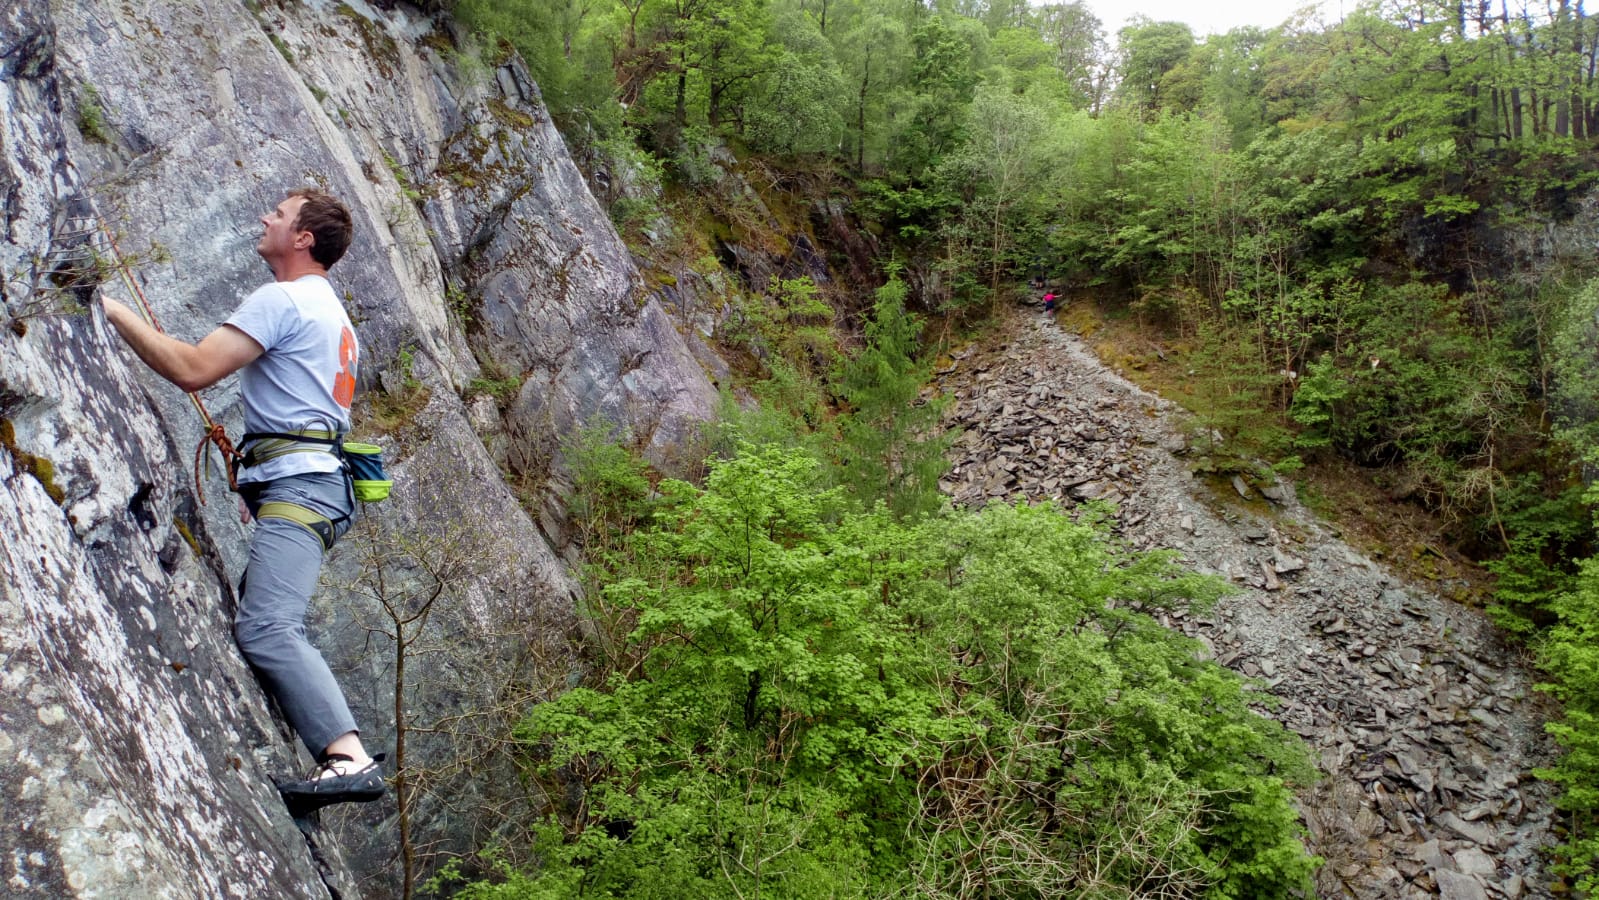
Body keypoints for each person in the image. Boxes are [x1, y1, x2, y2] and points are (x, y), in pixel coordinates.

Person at [103, 188, 384, 811]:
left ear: (303, 238)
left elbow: (193, 368)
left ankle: (349, 758)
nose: (266, 219)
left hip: (303, 487)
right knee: (264, 623)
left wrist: (112, 310)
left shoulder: (284, 299)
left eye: (280, 215)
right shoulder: (328, 311)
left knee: (266, 628)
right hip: (314, 484)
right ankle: (331, 754)